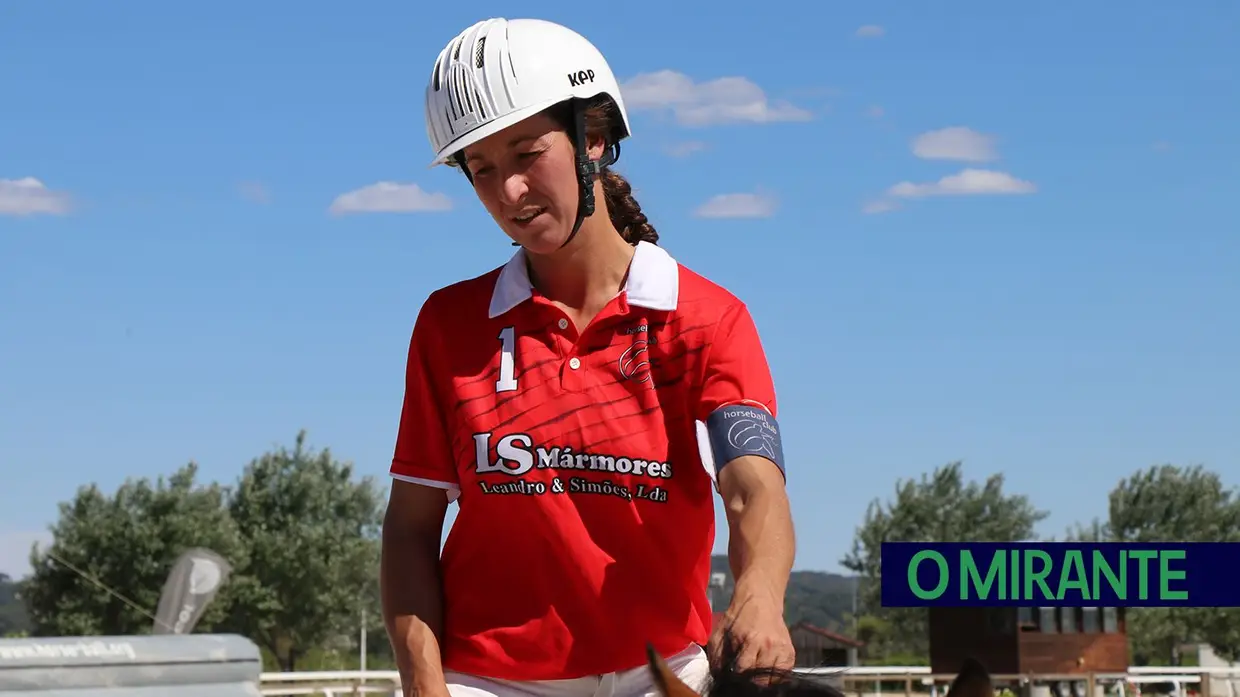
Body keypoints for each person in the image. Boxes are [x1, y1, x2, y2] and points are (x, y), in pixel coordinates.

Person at [380, 16, 797, 697]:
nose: (508, 191)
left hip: (664, 671)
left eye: (524, 154)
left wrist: (758, 591)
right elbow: (409, 527)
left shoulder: (708, 320)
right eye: (481, 170)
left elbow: (754, 488)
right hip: (488, 681)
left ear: (593, 139)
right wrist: (426, 686)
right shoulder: (448, 326)